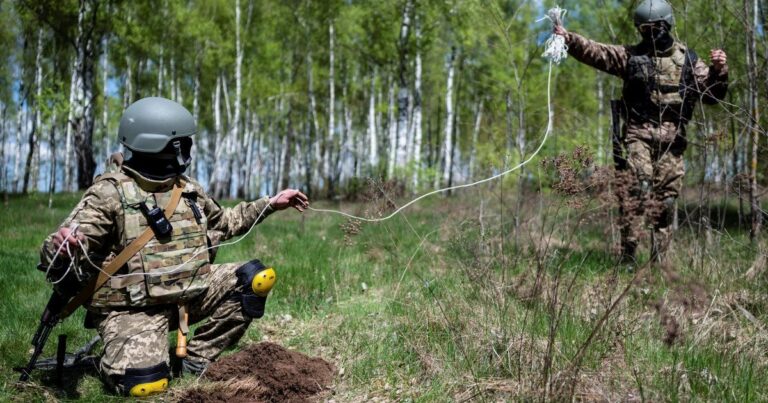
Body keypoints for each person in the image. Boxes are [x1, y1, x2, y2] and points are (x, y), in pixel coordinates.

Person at [38, 96, 309, 396]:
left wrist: (270, 204)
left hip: (189, 294)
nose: (189, 148)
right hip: (132, 309)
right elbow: (65, 250)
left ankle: (196, 359)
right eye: (183, 142)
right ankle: (114, 357)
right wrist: (61, 249)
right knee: (145, 385)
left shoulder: (187, 188)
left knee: (256, 279)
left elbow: (226, 222)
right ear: (165, 146)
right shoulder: (109, 194)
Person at [553, 0, 728, 263]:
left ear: (667, 25)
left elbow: (713, 95)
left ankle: (659, 262)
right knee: (636, 187)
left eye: (655, 27)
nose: (651, 34)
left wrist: (719, 70)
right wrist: (569, 38)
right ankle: (629, 253)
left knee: (665, 203)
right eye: (644, 29)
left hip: (673, 141)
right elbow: (596, 52)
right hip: (638, 135)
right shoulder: (631, 57)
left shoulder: (689, 62)